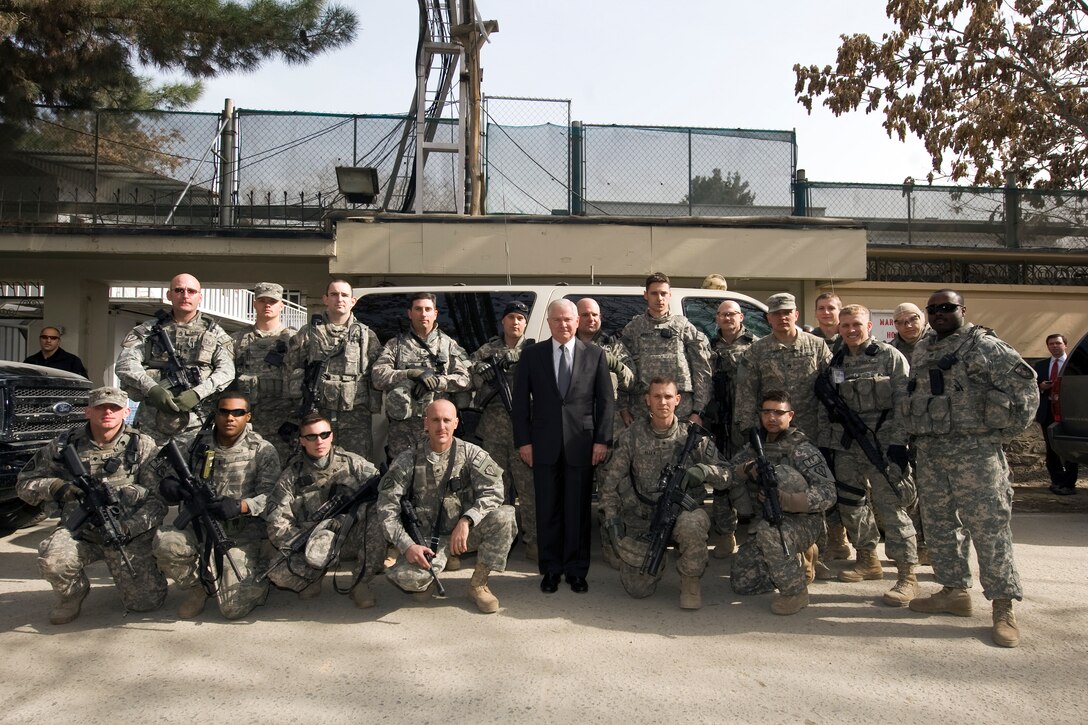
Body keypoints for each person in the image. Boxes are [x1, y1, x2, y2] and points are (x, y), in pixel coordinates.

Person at [904, 289, 1038, 648]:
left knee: (989, 529)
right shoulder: (923, 347)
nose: (939, 313)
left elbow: (1026, 388)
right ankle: (953, 592)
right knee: (939, 525)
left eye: (947, 307)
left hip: (975, 453)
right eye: (933, 309)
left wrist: (1001, 435)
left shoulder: (985, 346)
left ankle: (1003, 606)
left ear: (962, 310)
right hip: (932, 451)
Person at [16, 387, 166, 624]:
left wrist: (129, 528)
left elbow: (158, 501)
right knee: (54, 561)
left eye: (114, 408)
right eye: (101, 407)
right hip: (80, 532)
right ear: (88, 411)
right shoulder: (64, 446)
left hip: (125, 535)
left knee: (145, 603)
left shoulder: (142, 445)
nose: (108, 412)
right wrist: (56, 487)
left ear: (126, 412)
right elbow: (25, 485)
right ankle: (72, 594)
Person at [817, 305, 919, 606]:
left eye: (857, 324)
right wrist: (827, 445)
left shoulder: (889, 356)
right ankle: (867, 559)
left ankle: (906, 575)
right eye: (845, 325)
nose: (850, 330)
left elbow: (904, 402)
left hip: (884, 446)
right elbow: (828, 407)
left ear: (869, 326)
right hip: (847, 447)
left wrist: (900, 445)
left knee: (892, 509)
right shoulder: (835, 360)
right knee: (852, 504)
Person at [599, 377, 730, 609]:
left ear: (677, 400)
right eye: (657, 396)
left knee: (694, 522)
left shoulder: (693, 437)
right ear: (647, 400)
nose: (663, 402)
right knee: (638, 589)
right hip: (643, 516)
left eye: (668, 396)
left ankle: (690, 580)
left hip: (681, 513)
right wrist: (612, 521)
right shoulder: (632, 436)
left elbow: (728, 474)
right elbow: (610, 484)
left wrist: (704, 470)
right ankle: (657, 561)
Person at [512, 299, 614, 594]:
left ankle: (576, 571)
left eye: (568, 319)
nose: (564, 325)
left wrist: (601, 440)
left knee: (578, 511)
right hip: (542, 445)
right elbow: (520, 405)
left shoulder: (595, 355)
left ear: (577, 322)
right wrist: (524, 442)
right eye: (557, 320)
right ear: (548, 322)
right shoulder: (532, 355)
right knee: (548, 510)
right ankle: (550, 570)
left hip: (582, 445)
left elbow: (605, 401)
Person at [734, 292, 840, 573]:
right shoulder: (757, 351)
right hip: (774, 437)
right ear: (768, 318)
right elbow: (746, 393)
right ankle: (782, 541)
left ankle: (813, 546)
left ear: (795, 314)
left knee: (815, 487)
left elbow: (831, 393)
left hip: (810, 433)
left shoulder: (817, 347)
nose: (782, 317)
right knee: (775, 484)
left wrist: (829, 432)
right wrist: (750, 432)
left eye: (787, 312)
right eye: (776, 313)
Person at [377, 400, 516, 613]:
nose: (441, 426)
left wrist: (468, 519)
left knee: (505, 516)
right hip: (425, 539)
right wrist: (407, 545)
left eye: (446, 420)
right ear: (426, 424)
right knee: (411, 582)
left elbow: (495, 491)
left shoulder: (472, 453)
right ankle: (430, 575)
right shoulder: (408, 459)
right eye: (435, 420)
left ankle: (478, 584)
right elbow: (387, 509)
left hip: (464, 533)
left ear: (456, 423)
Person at [153, 392, 281, 620]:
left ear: (248, 417)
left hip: (241, 532)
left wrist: (242, 506)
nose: (230, 418)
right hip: (197, 525)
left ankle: (261, 565)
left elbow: (272, 497)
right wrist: (172, 487)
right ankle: (197, 589)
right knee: (166, 543)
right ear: (216, 414)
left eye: (238, 413)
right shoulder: (192, 443)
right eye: (224, 411)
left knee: (233, 608)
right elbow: (165, 475)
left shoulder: (262, 449)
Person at [730, 390, 836, 615]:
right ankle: (792, 562)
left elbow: (828, 493)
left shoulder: (802, 449)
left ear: (791, 415)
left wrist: (786, 500)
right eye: (767, 412)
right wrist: (746, 469)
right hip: (766, 521)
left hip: (803, 523)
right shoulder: (753, 447)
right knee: (742, 583)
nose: (772, 417)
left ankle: (795, 592)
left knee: (781, 479)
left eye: (779, 412)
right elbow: (727, 474)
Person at [264, 413, 386, 609]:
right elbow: (277, 522)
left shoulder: (352, 463)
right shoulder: (291, 475)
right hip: (311, 542)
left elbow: (381, 492)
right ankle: (313, 577)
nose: (318, 441)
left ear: (331, 436)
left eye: (324, 434)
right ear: (302, 441)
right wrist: (307, 544)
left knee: (379, 516)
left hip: (350, 537)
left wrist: (352, 516)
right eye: (311, 437)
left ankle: (360, 582)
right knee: (277, 573)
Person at [115, 273, 235, 443]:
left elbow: (227, 371)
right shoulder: (148, 330)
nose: (185, 295)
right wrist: (152, 388)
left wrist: (197, 393)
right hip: (151, 419)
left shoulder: (214, 333)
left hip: (197, 421)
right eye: (179, 290)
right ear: (169, 295)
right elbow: (125, 364)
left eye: (191, 291)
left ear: (200, 297)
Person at [469, 300, 537, 561]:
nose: (515, 322)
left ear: (526, 323)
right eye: (511, 317)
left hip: (525, 430)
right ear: (503, 322)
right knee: (497, 487)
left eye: (520, 318)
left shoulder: (533, 350)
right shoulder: (489, 349)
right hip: (494, 430)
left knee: (529, 489)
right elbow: (467, 368)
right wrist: (481, 370)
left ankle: (533, 541)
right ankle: (500, 542)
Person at [285, 279, 381, 460]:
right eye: (334, 294)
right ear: (325, 299)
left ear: (353, 301)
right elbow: (291, 366)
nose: (340, 299)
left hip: (355, 415)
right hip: (319, 413)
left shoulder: (366, 335)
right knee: (317, 463)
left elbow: (377, 372)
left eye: (345, 295)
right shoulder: (309, 333)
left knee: (358, 464)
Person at [371, 292, 471, 460]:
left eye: (427, 309)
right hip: (403, 432)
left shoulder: (449, 345)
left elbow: (466, 379)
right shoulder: (396, 345)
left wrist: (438, 382)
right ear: (410, 313)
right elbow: (378, 376)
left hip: (438, 430)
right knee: (401, 478)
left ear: (435, 313)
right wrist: (409, 374)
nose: (423, 314)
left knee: (438, 477)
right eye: (418, 309)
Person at [618, 272, 712, 428]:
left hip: (681, 410)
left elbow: (702, 369)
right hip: (642, 409)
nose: (659, 298)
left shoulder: (684, 328)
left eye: (663, 293)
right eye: (654, 293)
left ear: (670, 295)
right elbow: (622, 371)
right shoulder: (633, 329)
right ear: (646, 295)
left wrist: (698, 411)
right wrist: (623, 409)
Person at [705, 299, 759, 559]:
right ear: (716, 319)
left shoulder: (756, 346)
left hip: (745, 424)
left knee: (751, 476)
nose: (727, 319)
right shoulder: (708, 346)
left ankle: (758, 534)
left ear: (742, 317)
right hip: (718, 424)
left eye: (732, 314)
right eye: (723, 315)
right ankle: (726, 535)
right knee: (720, 480)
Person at [231, 282, 297, 461]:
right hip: (246, 424)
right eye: (262, 300)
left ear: (281, 305)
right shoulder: (237, 340)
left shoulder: (294, 340)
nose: (267, 305)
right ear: (254, 304)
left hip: (282, 425)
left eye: (273, 301)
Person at [1035, 333, 1079, 495]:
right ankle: (1057, 481)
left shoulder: (1074, 364)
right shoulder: (1040, 365)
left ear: (1065, 345)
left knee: (1069, 449)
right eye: (1051, 344)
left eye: (1058, 343)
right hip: (1048, 412)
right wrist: (1041, 387)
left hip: (1068, 413)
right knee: (1051, 449)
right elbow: (1030, 387)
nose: (1054, 346)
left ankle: (1069, 483)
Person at [24, 325, 88, 377]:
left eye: (53, 338)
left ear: (59, 341)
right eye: (44, 337)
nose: (48, 341)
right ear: (40, 339)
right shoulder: (30, 362)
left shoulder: (72, 361)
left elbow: (83, 385)